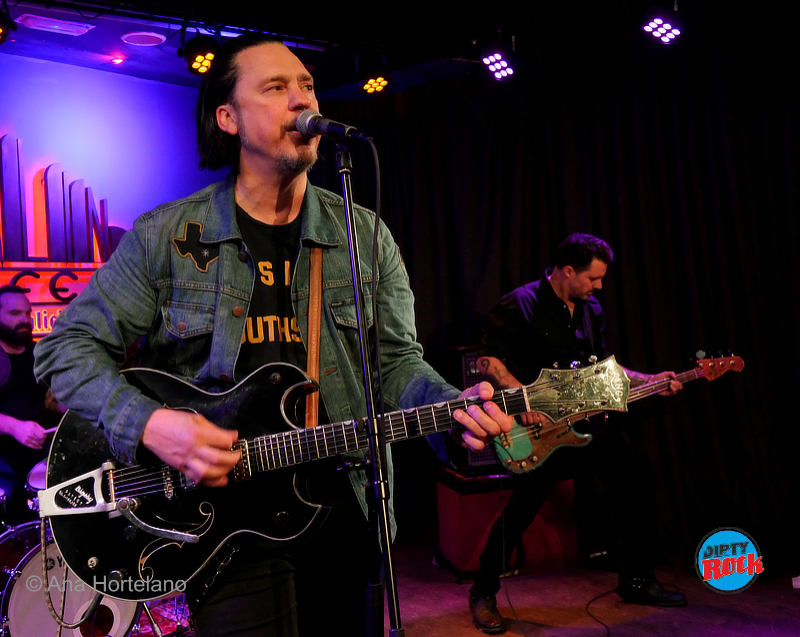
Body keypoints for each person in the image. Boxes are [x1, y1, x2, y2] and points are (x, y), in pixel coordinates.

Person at [33, 33, 513, 637]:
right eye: (275, 87)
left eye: (306, 85)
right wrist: (154, 425)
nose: (299, 99)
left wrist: (450, 404)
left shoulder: (362, 235)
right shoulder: (170, 236)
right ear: (228, 117)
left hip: (346, 504)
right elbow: (63, 352)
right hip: (224, 527)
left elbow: (394, 364)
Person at [468, 233, 686, 635]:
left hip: (585, 428)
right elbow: (486, 358)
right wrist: (520, 397)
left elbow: (604, 373)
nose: (599, 287)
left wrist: (652, 380)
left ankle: (636, 579)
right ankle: (482, 592)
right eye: (593, 278)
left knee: (637, 482)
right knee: (520, 512)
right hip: (538, 433)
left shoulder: (592, 310)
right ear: (568, 271)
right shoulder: (521, 303)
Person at [0, 285, 62, 524]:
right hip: (4, 460)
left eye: (28, 313)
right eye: (15, 314)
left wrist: (69, 409)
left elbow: (49, 403)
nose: (25, 320)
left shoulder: (39, 353)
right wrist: (16, 427)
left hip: (39, 456)